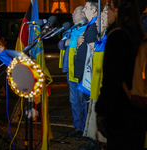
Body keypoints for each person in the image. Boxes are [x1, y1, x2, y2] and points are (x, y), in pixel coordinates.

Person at [95, 0, 147, 149]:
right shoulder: (139, 34)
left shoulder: (117, 36)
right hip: (139, 107)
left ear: (117, 10)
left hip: (121, 113)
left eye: (108, 8)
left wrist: (101, 110)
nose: (105, 13)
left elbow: (112, 80)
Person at [78, 4, 108, 150]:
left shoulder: (111, 39)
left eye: (101, 19)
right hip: (95, 84)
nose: (97, 22)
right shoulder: (102, 38)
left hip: (102, 86)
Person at [58, 6, 88, 139]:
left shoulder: (87, 29)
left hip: (82, 72)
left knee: (84, 102)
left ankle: (87, 129)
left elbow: (85, 44)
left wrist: (69, 42)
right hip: (71, 71)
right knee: (74, 101)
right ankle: (78, 127)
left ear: (83, 14)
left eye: (75, 11)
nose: (72, 13)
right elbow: (60, 44)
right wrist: (70, 42)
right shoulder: (72, 29)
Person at [74, 0, 102, 140]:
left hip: (89, 76)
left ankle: (93, 139)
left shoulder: (95, 26)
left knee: (91, 108)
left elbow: (93, 52)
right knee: (87, 107)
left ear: (94, 11)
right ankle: (89, 135)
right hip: (84, 75)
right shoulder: (90, 25)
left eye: (86, 7)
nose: (83, 10)